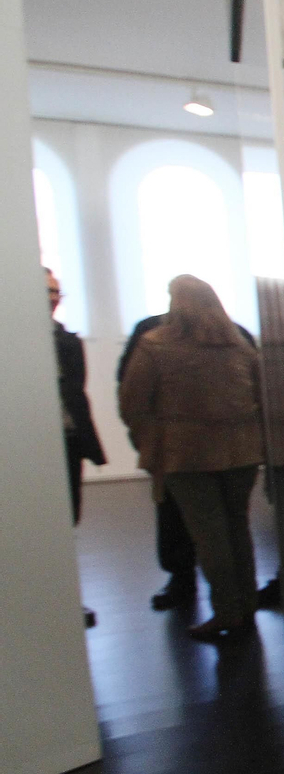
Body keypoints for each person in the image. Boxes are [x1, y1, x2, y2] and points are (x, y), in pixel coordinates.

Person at [119, 275, 264, 639]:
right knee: (236, 529)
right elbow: (261, 396)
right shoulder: (239, 343)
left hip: (187, 456)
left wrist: (151, 442)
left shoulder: (155, 345)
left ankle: (228, 612)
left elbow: (132, 402)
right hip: (241, 452)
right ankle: (244, 606)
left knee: (210, 536)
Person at [48, 269, 106, 628]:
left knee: (66, 518)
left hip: (67, 441)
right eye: (46, 290)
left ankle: (65, 596)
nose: (52, 298)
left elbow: (75, 392)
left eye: (56, 292)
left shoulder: (68, 341)